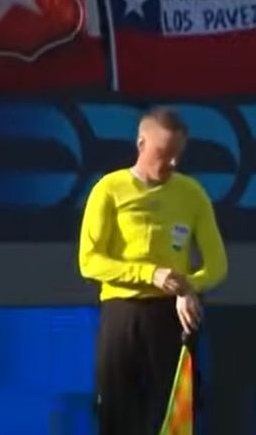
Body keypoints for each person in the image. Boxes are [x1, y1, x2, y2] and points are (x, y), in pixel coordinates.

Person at [79, 107, 228, 435]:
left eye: (178, 155)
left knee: (173, 414)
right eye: (164, 154)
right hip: (123, 313)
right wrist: (150, 274)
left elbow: (217, 264)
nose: (172, 164)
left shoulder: (191, 193)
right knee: (118, 413)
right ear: (141, 143)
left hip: (172, 316)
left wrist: (187, 288)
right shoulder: (110, 189)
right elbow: (89, 261)